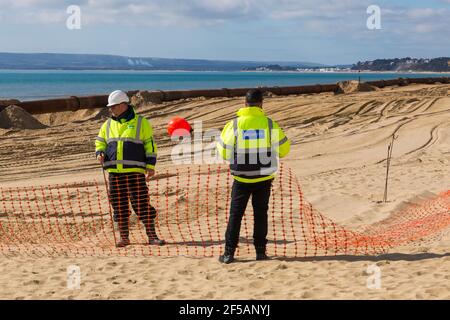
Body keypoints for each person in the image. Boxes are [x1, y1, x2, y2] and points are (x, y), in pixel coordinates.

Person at [216, 89, 290, 263]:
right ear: (261, 104)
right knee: (260, 214)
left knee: (236, 214)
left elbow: (224, 152)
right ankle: (260, 252)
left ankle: (228, 254)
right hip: (264, 178)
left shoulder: (234, 124)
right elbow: (284, 150)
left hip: (241, 178)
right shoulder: (269, 124)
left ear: (245, 103)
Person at [95, 90, 165, 247]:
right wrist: (99, 152)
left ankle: (152, 236)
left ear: (123, 105)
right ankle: (124, 238)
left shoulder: (141, 122)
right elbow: (100, 142)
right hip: (114, 172)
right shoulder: (107, 125)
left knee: (141, 203)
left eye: (113, 106)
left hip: (135, 171)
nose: (111, 109)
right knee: (119, 206)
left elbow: (150, 145)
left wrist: (150, 165)